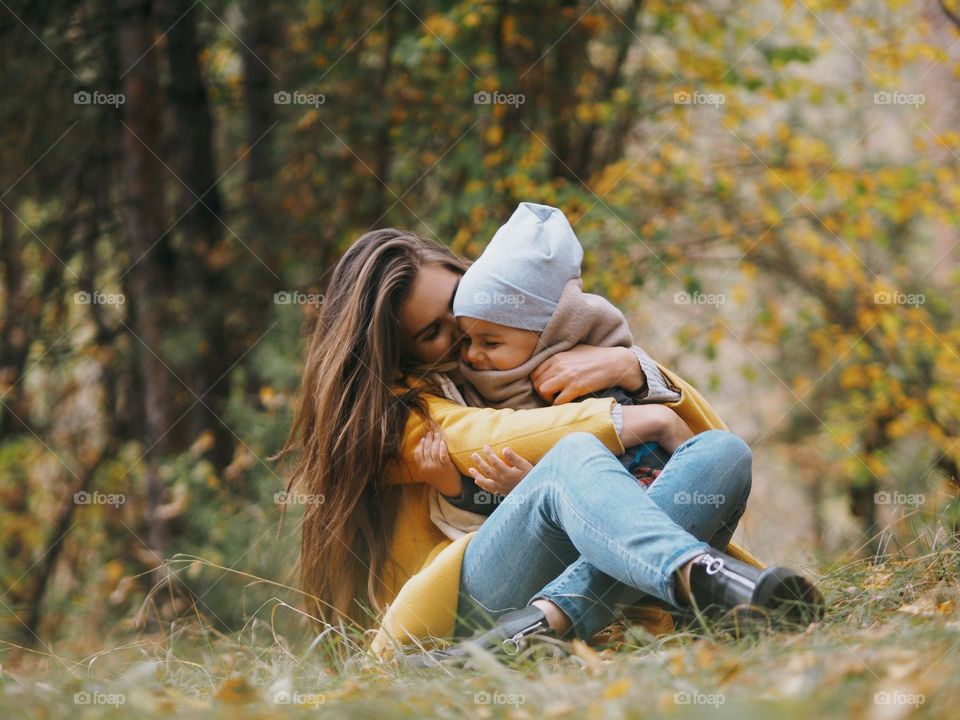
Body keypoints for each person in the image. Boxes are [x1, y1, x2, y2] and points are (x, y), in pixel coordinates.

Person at [277, 228, 824, 668]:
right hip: (463, 604)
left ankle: (546, 622)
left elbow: (696, 433)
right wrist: (634, 416)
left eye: (462, 304)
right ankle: (698, 575)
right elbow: (490, 440)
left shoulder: (522, 352)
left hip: (541, 585)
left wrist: (630, 369)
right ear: (396, 351)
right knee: (572, 458)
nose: (465, 338)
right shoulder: (392, 412)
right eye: (434, 333)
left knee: (724, 453)